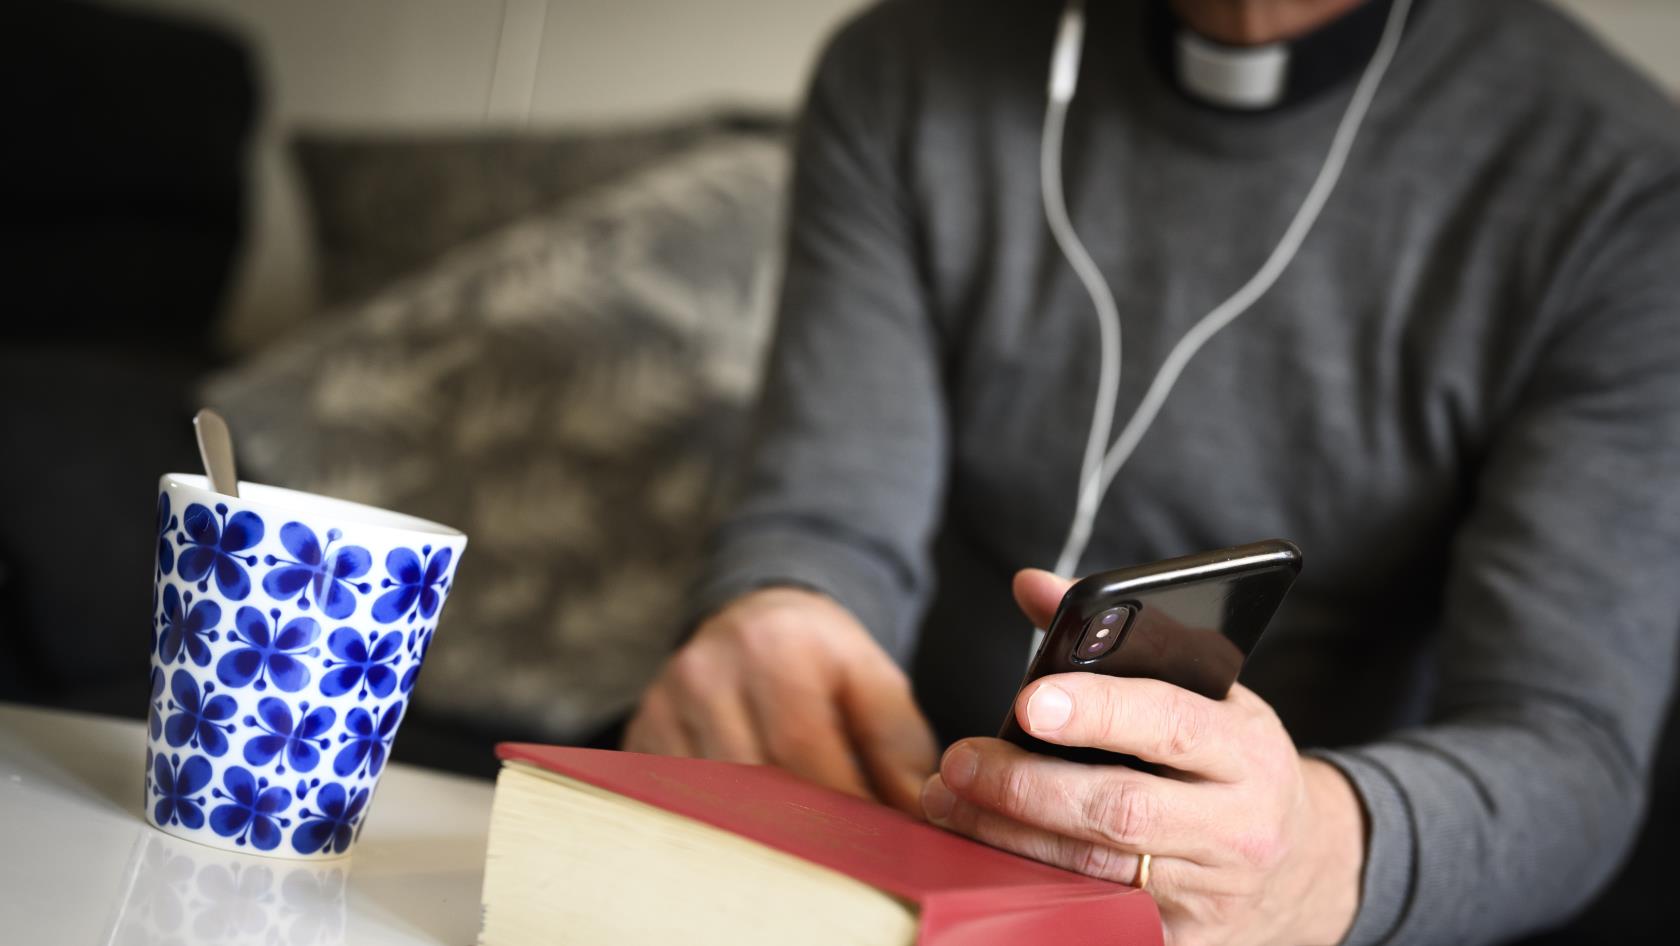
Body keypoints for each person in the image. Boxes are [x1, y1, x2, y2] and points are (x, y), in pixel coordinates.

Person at [623, 0, 1680, 943]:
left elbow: (1568, 747)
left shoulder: (1622, 179)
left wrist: (1309, 860)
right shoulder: (901, 68)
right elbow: (826, 524)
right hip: (907, 823)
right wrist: (781, 611)